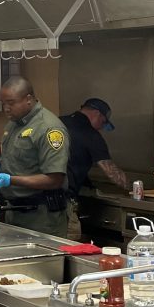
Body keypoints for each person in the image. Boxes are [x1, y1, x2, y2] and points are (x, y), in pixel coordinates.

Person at [0, 77, 70, 237]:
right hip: (14, 212)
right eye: (3, 103)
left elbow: (54, 179)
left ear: (28, 99)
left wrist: (11, 179)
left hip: (41, 217)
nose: (6, 109)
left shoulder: (49, 128)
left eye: (11, 103)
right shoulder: (13, 124)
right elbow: (20, 160)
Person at [60, 98, 128, 241]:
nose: (101, 128)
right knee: (69, 247)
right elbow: (112, 173)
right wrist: (132, 187)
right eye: (103, 123)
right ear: (97, 114)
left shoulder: (58, 122)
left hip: (40, 200)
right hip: (63, 204)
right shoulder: (90, 134)